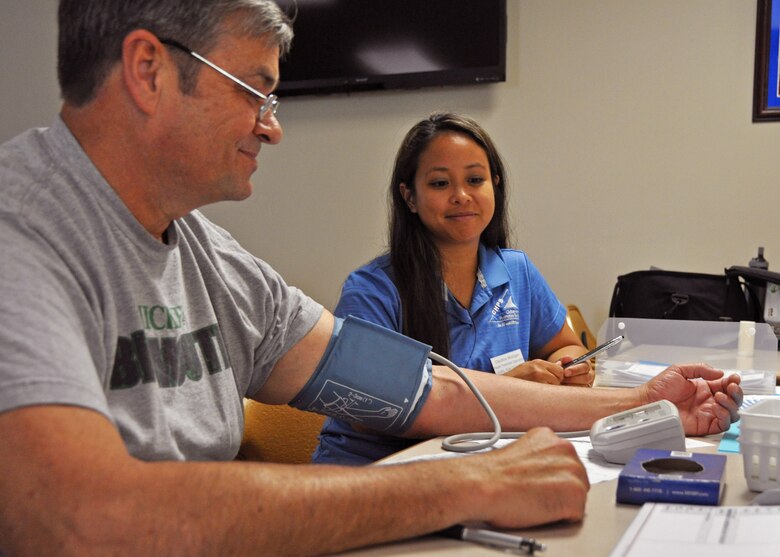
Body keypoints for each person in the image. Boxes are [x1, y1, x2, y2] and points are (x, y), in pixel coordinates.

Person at [0, 2, 742, 555]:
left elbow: (424, 387)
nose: (272, 125)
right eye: (255, 90)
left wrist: (639, 399)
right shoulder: (21, 231)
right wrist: (465, 484)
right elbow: (79, 517)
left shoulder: (212, 260)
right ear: (148, 69)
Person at [309, 112, 725, 466]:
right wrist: (512, 386)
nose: (461, 196)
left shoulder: (516, 270)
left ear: (495, 185)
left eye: (475, 179)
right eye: (439, 184)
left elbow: (564, 346)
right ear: (409, 197)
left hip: (476, 460)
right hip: (375, 470)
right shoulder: (373, 289)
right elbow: (367, 411)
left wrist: (569, 366)